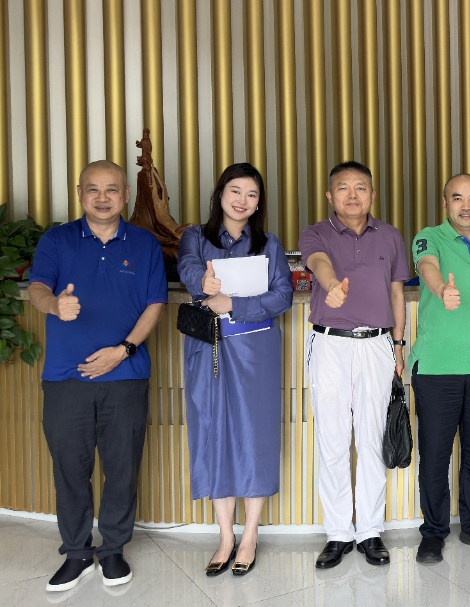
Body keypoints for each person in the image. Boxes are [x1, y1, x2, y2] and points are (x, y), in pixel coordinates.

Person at [27, 160, 167, 591]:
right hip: (65, 376)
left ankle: (113, 550)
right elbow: (37, 288)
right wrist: (54, 305)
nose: (102, 198)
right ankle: (76, 553)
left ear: (126, 194)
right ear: (79, 193)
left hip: (126, 374)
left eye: (111, 189)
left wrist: (123, 350)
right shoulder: (57, 239)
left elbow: (156, 304)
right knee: (70, 467)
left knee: (122, 467)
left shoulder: (144, 243)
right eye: (93, 189)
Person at [177, 163, 293, 576]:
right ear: (220, 194)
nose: (243, 200)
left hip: (255, 349)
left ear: (259, 203)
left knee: (255, 436)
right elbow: (188, 267)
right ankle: (225, 536)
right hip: (207, 346)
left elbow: (283, 295)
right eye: (235, 191)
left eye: (252, 194)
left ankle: (250, 535)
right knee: (213, 433)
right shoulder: (196, 236)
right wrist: (203, 284)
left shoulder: (268, 243)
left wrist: (235, 304)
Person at [299, 161, 409, 568]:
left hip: (377, 344)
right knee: (332, 439)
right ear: (330, 196)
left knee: (371, 439)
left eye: (360, 187)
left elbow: (396, 293)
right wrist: (330, 286)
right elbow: (318, 262)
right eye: (343, 187)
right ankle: (338, 533)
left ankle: (370, 531)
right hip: (330, 344)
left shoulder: (390, 235)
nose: (352, 195)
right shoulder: (316, 232)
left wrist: (399, 344)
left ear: (372, 195)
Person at [409, 174, 470, 564]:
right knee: (435, 456)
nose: (466, 205)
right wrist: (441, 289)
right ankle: (433, 533)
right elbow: (427, 266)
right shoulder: (428, 237)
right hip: (436, 367)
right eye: (458, 198)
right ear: (445, 202)